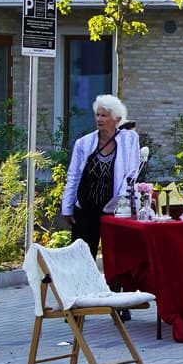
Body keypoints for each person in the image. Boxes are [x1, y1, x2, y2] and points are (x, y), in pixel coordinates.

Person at [61, 94, 143, 258]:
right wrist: (67, 207)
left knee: (115, 256)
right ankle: (81, 285)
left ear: (116, 119)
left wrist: (121, 205)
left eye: (104, 115)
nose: (99, 119)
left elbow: (131, 173)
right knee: (81, 258)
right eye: (97, 115)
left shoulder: (129, 140)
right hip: (85, 209)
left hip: (113, 210)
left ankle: (114, 285)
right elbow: (74, 175)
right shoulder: (83, 143)